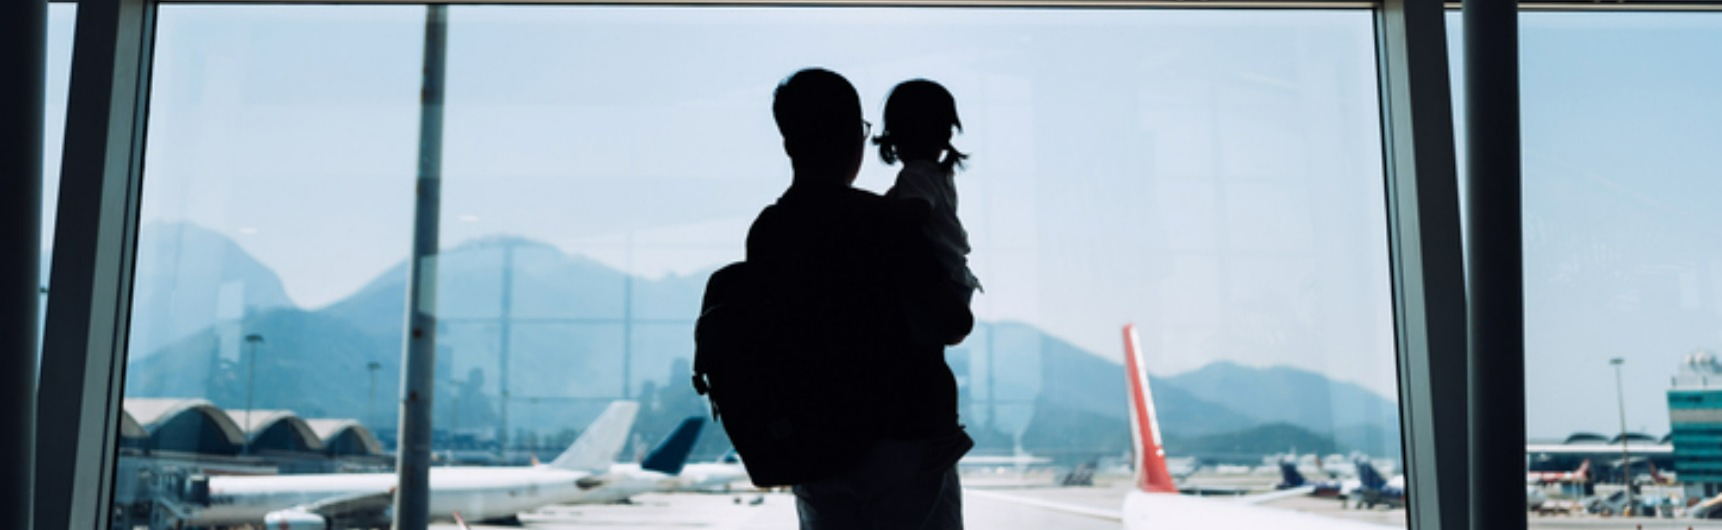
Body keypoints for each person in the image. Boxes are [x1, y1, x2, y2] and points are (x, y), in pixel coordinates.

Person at [747, 68, 974, 530]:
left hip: (814, 446)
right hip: (901, 442)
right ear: (856, 134)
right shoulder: (885, 223)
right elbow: (953, 324)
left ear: (789, 140)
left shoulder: (770, 231)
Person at [874, 79, 981, 305]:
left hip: (941, 281)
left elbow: (915, 212)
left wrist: (874, 209)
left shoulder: (915, 174)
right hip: (956, 278)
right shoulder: (939, 175)